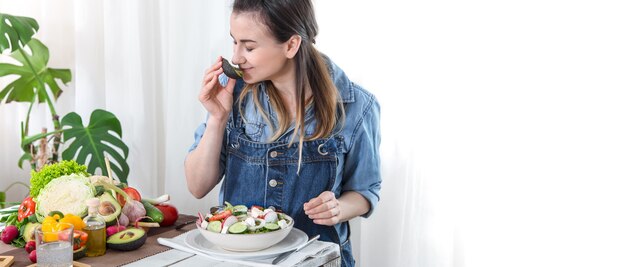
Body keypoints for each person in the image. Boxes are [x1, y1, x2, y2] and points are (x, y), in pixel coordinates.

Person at [184, 1, 381, 266]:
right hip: (241, 261)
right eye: (235, 42)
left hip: (318, 259)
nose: (236, 57)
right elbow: (197, 186)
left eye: (249, 46)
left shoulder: (357, 105)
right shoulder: (232, 94)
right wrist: (217, 118)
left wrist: (338, 208)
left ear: (291, 45)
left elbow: (365, 190)